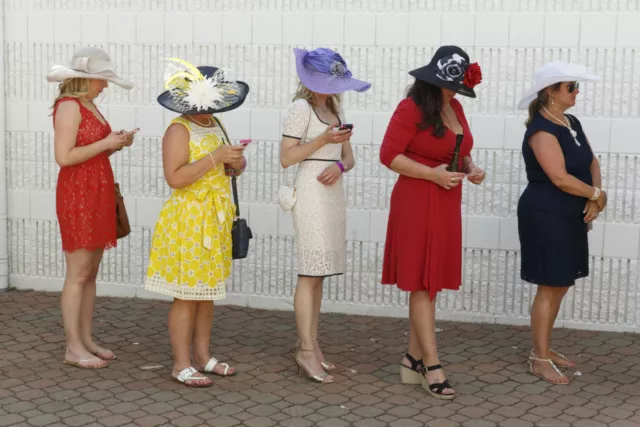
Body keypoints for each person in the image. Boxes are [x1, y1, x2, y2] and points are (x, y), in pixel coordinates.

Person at [379, 46, 485, 399]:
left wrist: (470, 168)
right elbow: (388, 156)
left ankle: (413, 358)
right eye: (450, 83)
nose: (455, 90)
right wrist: (432, 174)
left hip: (445, 198)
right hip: (417, 198)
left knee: (431, 282)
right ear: (433, 79)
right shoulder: (410, 108)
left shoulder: (454, 107)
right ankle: (432, 365)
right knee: (421, 284)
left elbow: (459, 148)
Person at [145, 59, 249, 387]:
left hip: (215, 219)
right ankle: (180, 363)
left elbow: (222, 169)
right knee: (186, 295)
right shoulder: (179, 129)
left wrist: (236, 164)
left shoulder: (215, 123)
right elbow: (174, 178)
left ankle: (203, 357)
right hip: (188, 221)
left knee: (206, 293)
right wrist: (216, 158)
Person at [279, 48, 371, 384]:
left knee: (320, 273)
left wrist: (338, 165)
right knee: (309, 270)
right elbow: (287, 158)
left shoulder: (334, 107)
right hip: (310, 192)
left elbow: (349, 158)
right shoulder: (299, 109)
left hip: (331, 191)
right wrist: (322, 139)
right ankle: (304, 350)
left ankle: (312, 344)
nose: (335, 89)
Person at [517, 60, 606, 385]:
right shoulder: (542, 129)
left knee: (562, 282)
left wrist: (594, 196)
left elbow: (591, 160)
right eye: (571, 87)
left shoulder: (570, 121)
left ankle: (544, 347)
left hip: (570, 213)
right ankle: (538, 358)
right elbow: (558, 177)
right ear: (551, 92)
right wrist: (596, 193)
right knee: (550, 284)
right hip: (546, 213)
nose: (576, 91)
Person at [47, 47, 136, 369]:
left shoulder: (89, 104)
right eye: (103, 80)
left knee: (90, 272)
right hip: (78, 195)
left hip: (96, 189)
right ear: (86, 79)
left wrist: (116, 144)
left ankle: (85, 339)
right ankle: (73, 347)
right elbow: (64, 157)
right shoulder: (68, 106)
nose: (106, 86)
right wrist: (106, 143)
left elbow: (90, 152)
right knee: (78, 273)